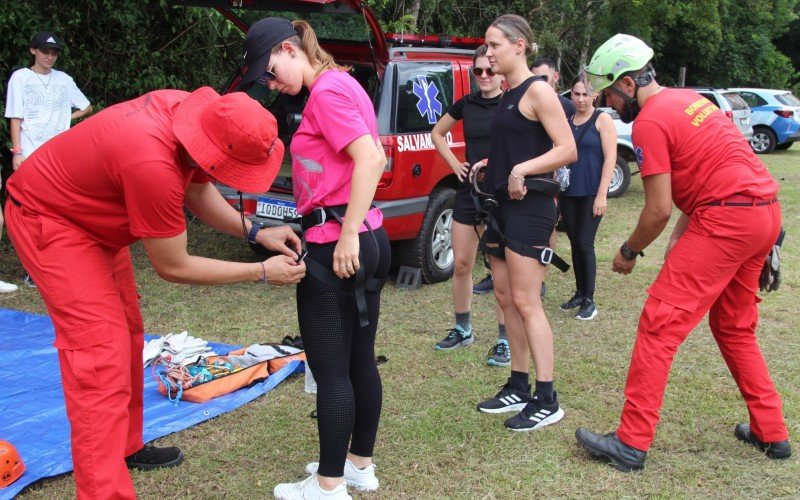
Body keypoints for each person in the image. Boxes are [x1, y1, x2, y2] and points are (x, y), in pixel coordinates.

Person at [4, 87, 306, 499]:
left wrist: (255, 230)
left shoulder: (196, 118)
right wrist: (261, 272)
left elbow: (198, 191)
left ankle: (126, 447)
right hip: (51, 219)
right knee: (98, 356)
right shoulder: (151, 163)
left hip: (94, 220)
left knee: (127, 331)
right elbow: (173, 266)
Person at [575, 34, 791, 471]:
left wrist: (628, 251)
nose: (609, 105)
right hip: (763, 213)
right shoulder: (689, 100)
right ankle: (772, 432)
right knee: (734, 326)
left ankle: (630, 443)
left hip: (726, 221)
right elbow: (707, 178)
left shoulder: (650, 122)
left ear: (630, 85)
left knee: (659, 325)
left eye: (611, 94)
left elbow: (656, 209)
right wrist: (680, 241)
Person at [240, 17, 390, 499]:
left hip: (341, 241)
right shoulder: (344, 84)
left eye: (269, 71)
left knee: (331, 371)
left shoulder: (326, 93)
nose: (270, 84)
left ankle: (327, 487)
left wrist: (345, 234)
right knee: (358, 360)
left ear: (289, 48)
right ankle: (357, 467)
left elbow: (372, 158)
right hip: (369, 236)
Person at [472, 14, 576, 431]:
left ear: (518, 46)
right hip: (500, 206)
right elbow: (517, 144)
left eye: (494, 45)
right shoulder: (509, 93)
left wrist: (521, 169)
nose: (488, 53)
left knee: (528, 300)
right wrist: (493, 165)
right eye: (487, 45)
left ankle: (547, 397)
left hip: (531, 207)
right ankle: (518, 383)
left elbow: (567, 149)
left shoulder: (538, 91)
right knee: (505, 297)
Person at [430, 44, 509, 366]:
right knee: (462, 264)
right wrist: (454, 164)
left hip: (503, 193)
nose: (485, 76)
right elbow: (437, 133)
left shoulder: (512, 103)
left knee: (500, 269)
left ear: (500, 72)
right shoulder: (467, 103)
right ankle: (463, 328)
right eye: (478, 71)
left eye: (490, 70)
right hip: (470, 190)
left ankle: (505, 339)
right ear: (472, 74)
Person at [5, 31, 93, 289]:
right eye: (45, 52)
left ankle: (59, 263)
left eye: (54, 53)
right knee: (33, 209)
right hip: (31, 151)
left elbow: (86, 106)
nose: (50, 57)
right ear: (33, 51)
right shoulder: (21, 78)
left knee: (61, 207)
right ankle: (33, 268)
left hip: (59, 154)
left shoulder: (63, 80)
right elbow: (15, 117)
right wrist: (17, 151)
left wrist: (65, 121)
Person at [558, 76, 616, 320]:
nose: (580, 99)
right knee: (574, 242)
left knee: (584, 242)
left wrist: (602, 194)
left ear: (595, 96)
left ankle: (589, 299)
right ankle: (580, 292)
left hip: (592, 191)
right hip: (569, 191)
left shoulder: (602, 119)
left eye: (585, 94)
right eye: (576, 94)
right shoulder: (566, 122)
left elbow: (610, 158)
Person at [530, 56, 577, 299]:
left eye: (544, 78)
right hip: (529, 172)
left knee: (549, 225)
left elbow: (569, 146)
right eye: (535, 78)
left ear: (555, 78)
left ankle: (542, 277)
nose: (540, 83)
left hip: (554, 175)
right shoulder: (527, 100)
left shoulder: (567, 107)